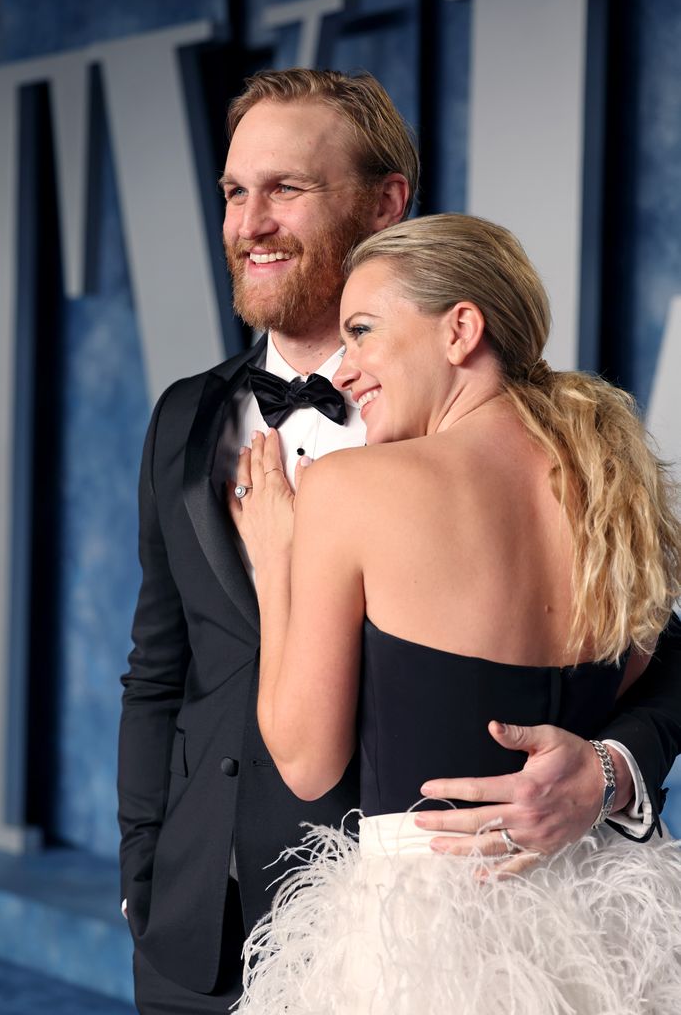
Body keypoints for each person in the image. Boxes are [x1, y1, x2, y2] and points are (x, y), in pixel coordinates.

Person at [117, 69, 681, 1012]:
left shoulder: (489, 442)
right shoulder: (184, 418)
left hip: (392, 936)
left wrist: (611, 769)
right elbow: (158, 667)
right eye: (232, 191)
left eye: (286, 188)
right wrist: (142, 868)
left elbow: (660, 653)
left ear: (386, 204)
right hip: (192, 932)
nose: (250, 220)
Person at [230, 213, 681, 1013]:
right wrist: (611, 768)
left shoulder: (351, 488)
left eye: (363, 332)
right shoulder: (621, 490)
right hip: (612, 924)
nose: (345, 370)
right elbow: (646, 680)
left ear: (460, 330)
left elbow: (306, 761)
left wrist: (276, 568)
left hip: (426, 944)